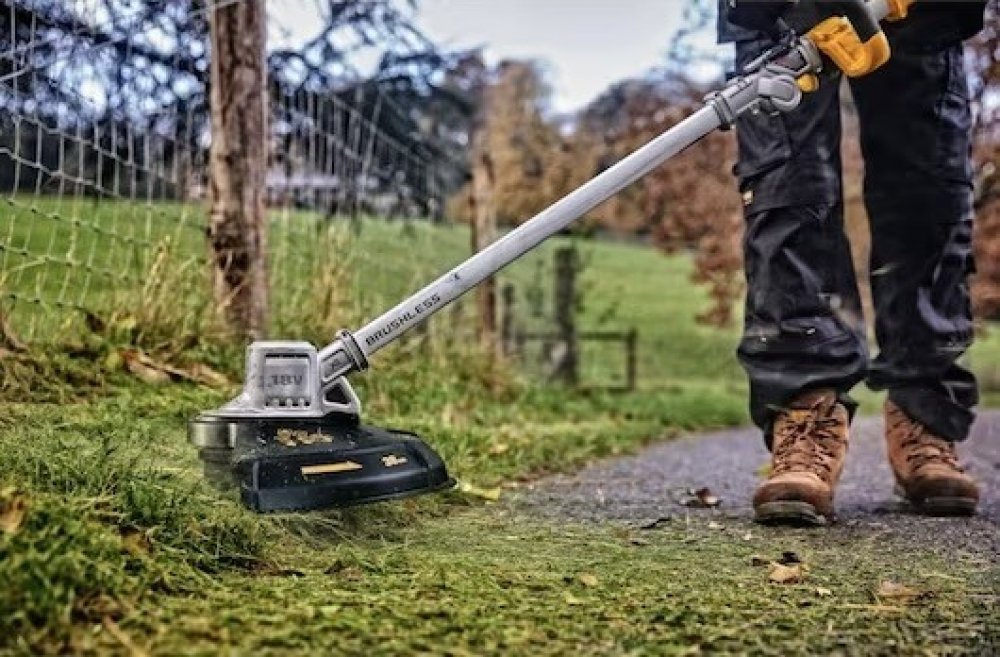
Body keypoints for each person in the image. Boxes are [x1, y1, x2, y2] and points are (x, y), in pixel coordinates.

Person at [717, 0, 988, 525]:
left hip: (924, 11)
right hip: (779, 9)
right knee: (787, 193)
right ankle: (806, 410)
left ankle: (925, 410)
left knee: (929, 197)